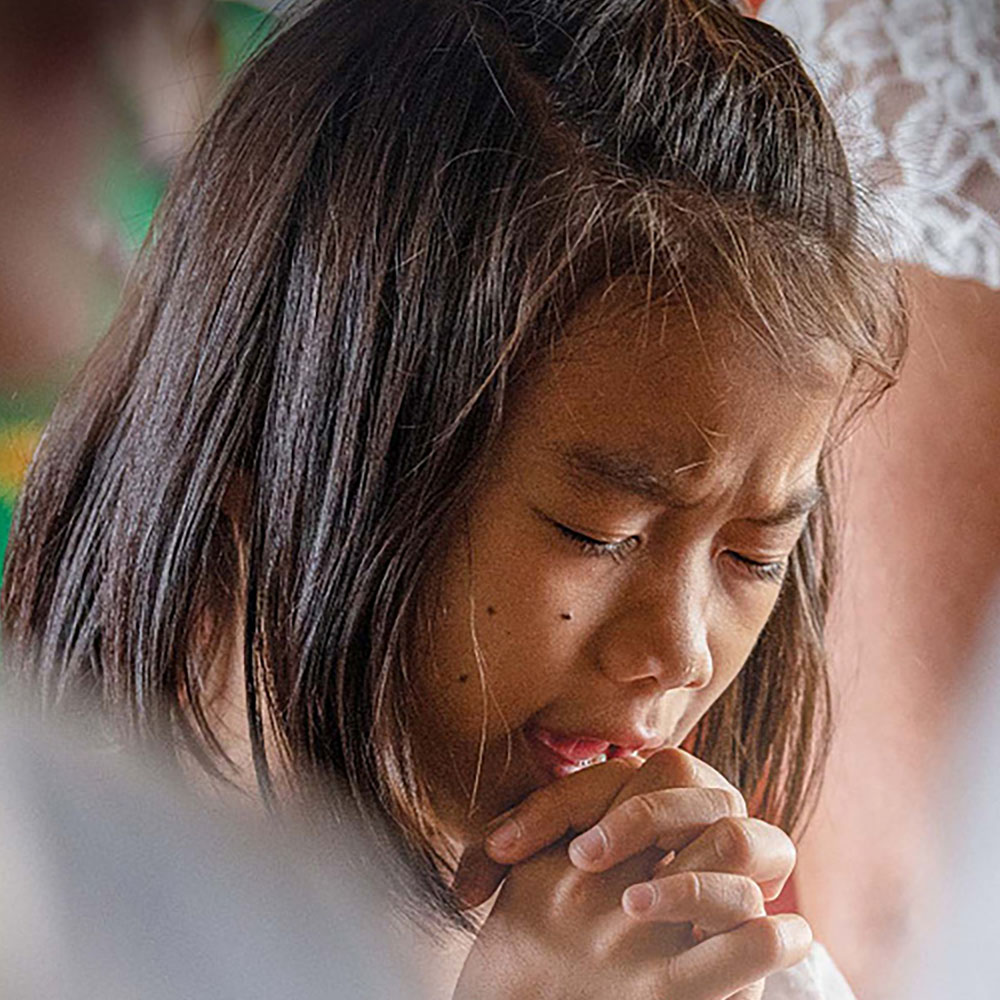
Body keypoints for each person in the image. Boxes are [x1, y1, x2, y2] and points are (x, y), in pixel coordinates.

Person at [0, 1, 904, 997]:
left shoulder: (713, 968)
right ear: (285, 438)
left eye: (752, 557)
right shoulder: (49, 906)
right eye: (596, 533)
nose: (681, 651)